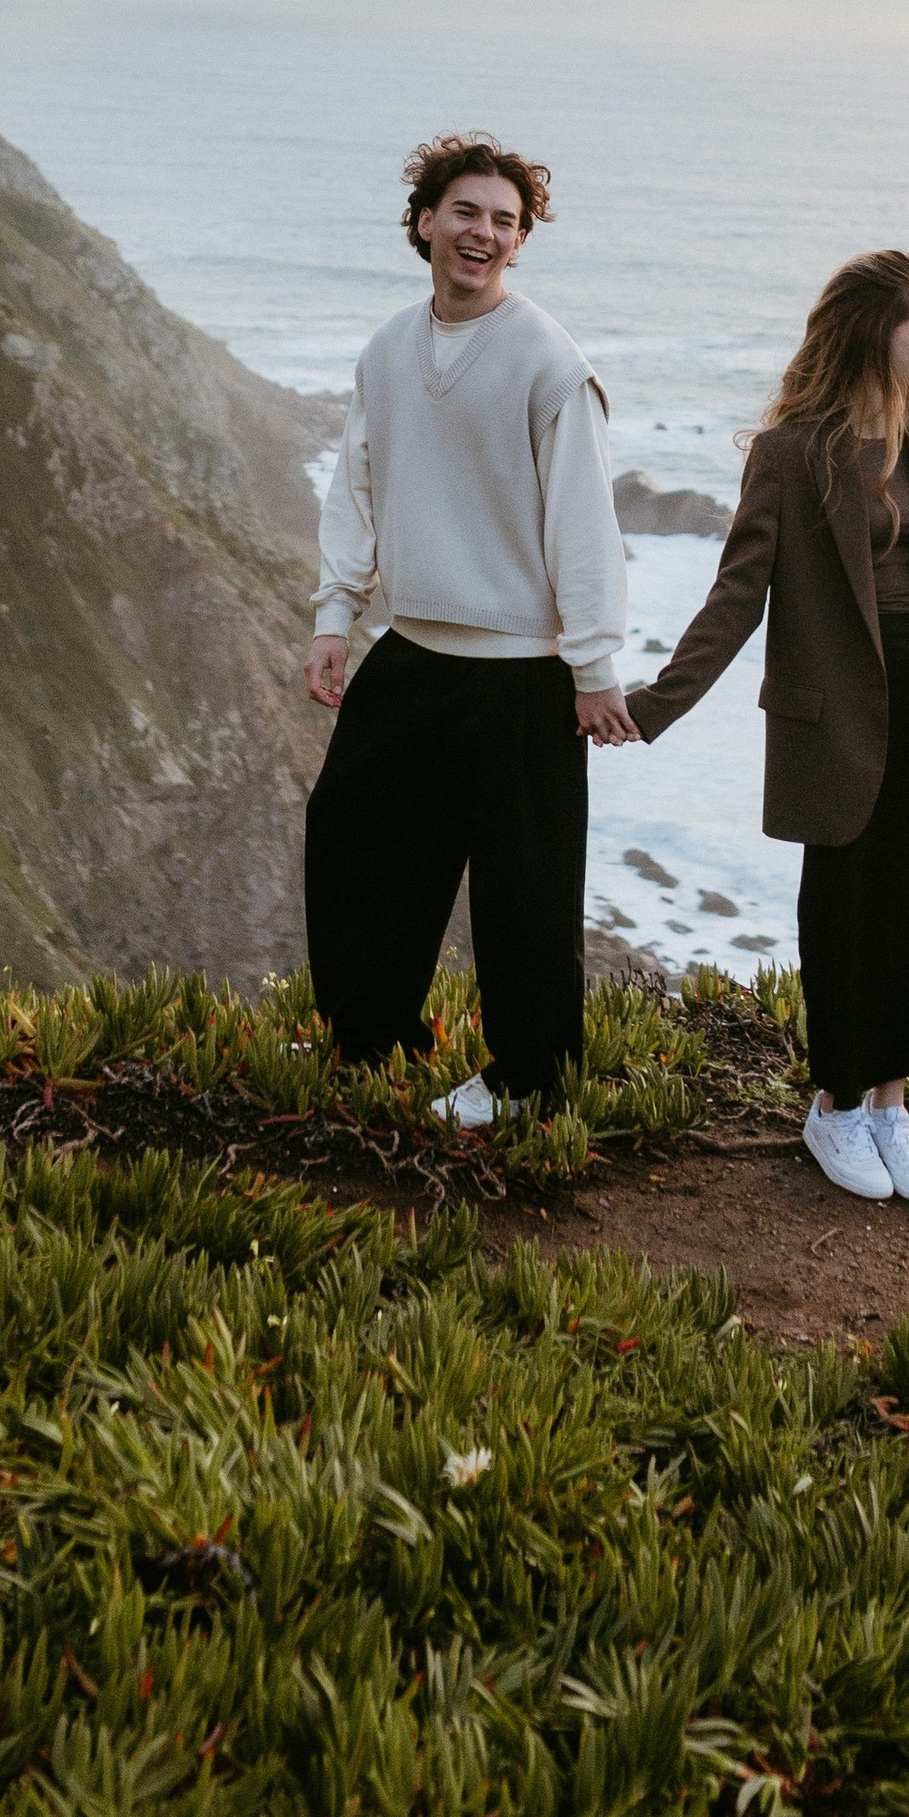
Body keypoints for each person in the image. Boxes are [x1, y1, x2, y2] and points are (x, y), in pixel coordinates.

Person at [624, 249, 909, 1204]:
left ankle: (892, 1105)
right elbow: (735, 599)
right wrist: (649, 709)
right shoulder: (794, 451)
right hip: (840, 717)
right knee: (849, 911)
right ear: (870, 332)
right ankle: (837, 1104)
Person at [304, 133, 638, 1129]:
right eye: (465, 212)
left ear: (520, 241)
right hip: (411, 651)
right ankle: (369, 1035)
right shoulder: (385, 348)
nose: (481, 233)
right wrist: (337, 615)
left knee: (523, 888)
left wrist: (594, 664)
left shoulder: (548, 361)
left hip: (522, 672)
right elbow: (355, 488)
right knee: (354, 841)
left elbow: (584, 523)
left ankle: (530, 1076)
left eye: (503, 220)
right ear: (424, 222)